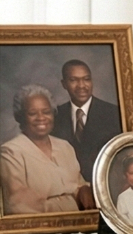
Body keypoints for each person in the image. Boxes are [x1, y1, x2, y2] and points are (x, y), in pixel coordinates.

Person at [1, 85, 89, 215]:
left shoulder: (65, 147)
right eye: (32, 113)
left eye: (46, 112)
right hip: (38, 230)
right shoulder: (10, 153)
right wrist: (71, 205)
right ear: (20, 117)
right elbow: (19, 206)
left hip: (79, 227)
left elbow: (80, 186)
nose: (41, 118)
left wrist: (84, 191)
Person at [50, 59, 121, 181]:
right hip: (67, 186)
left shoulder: (114, 113)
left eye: (86, 79)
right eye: (73, 80)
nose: (82, 85)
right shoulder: (55, 116)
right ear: (64, 84)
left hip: (104, 183)